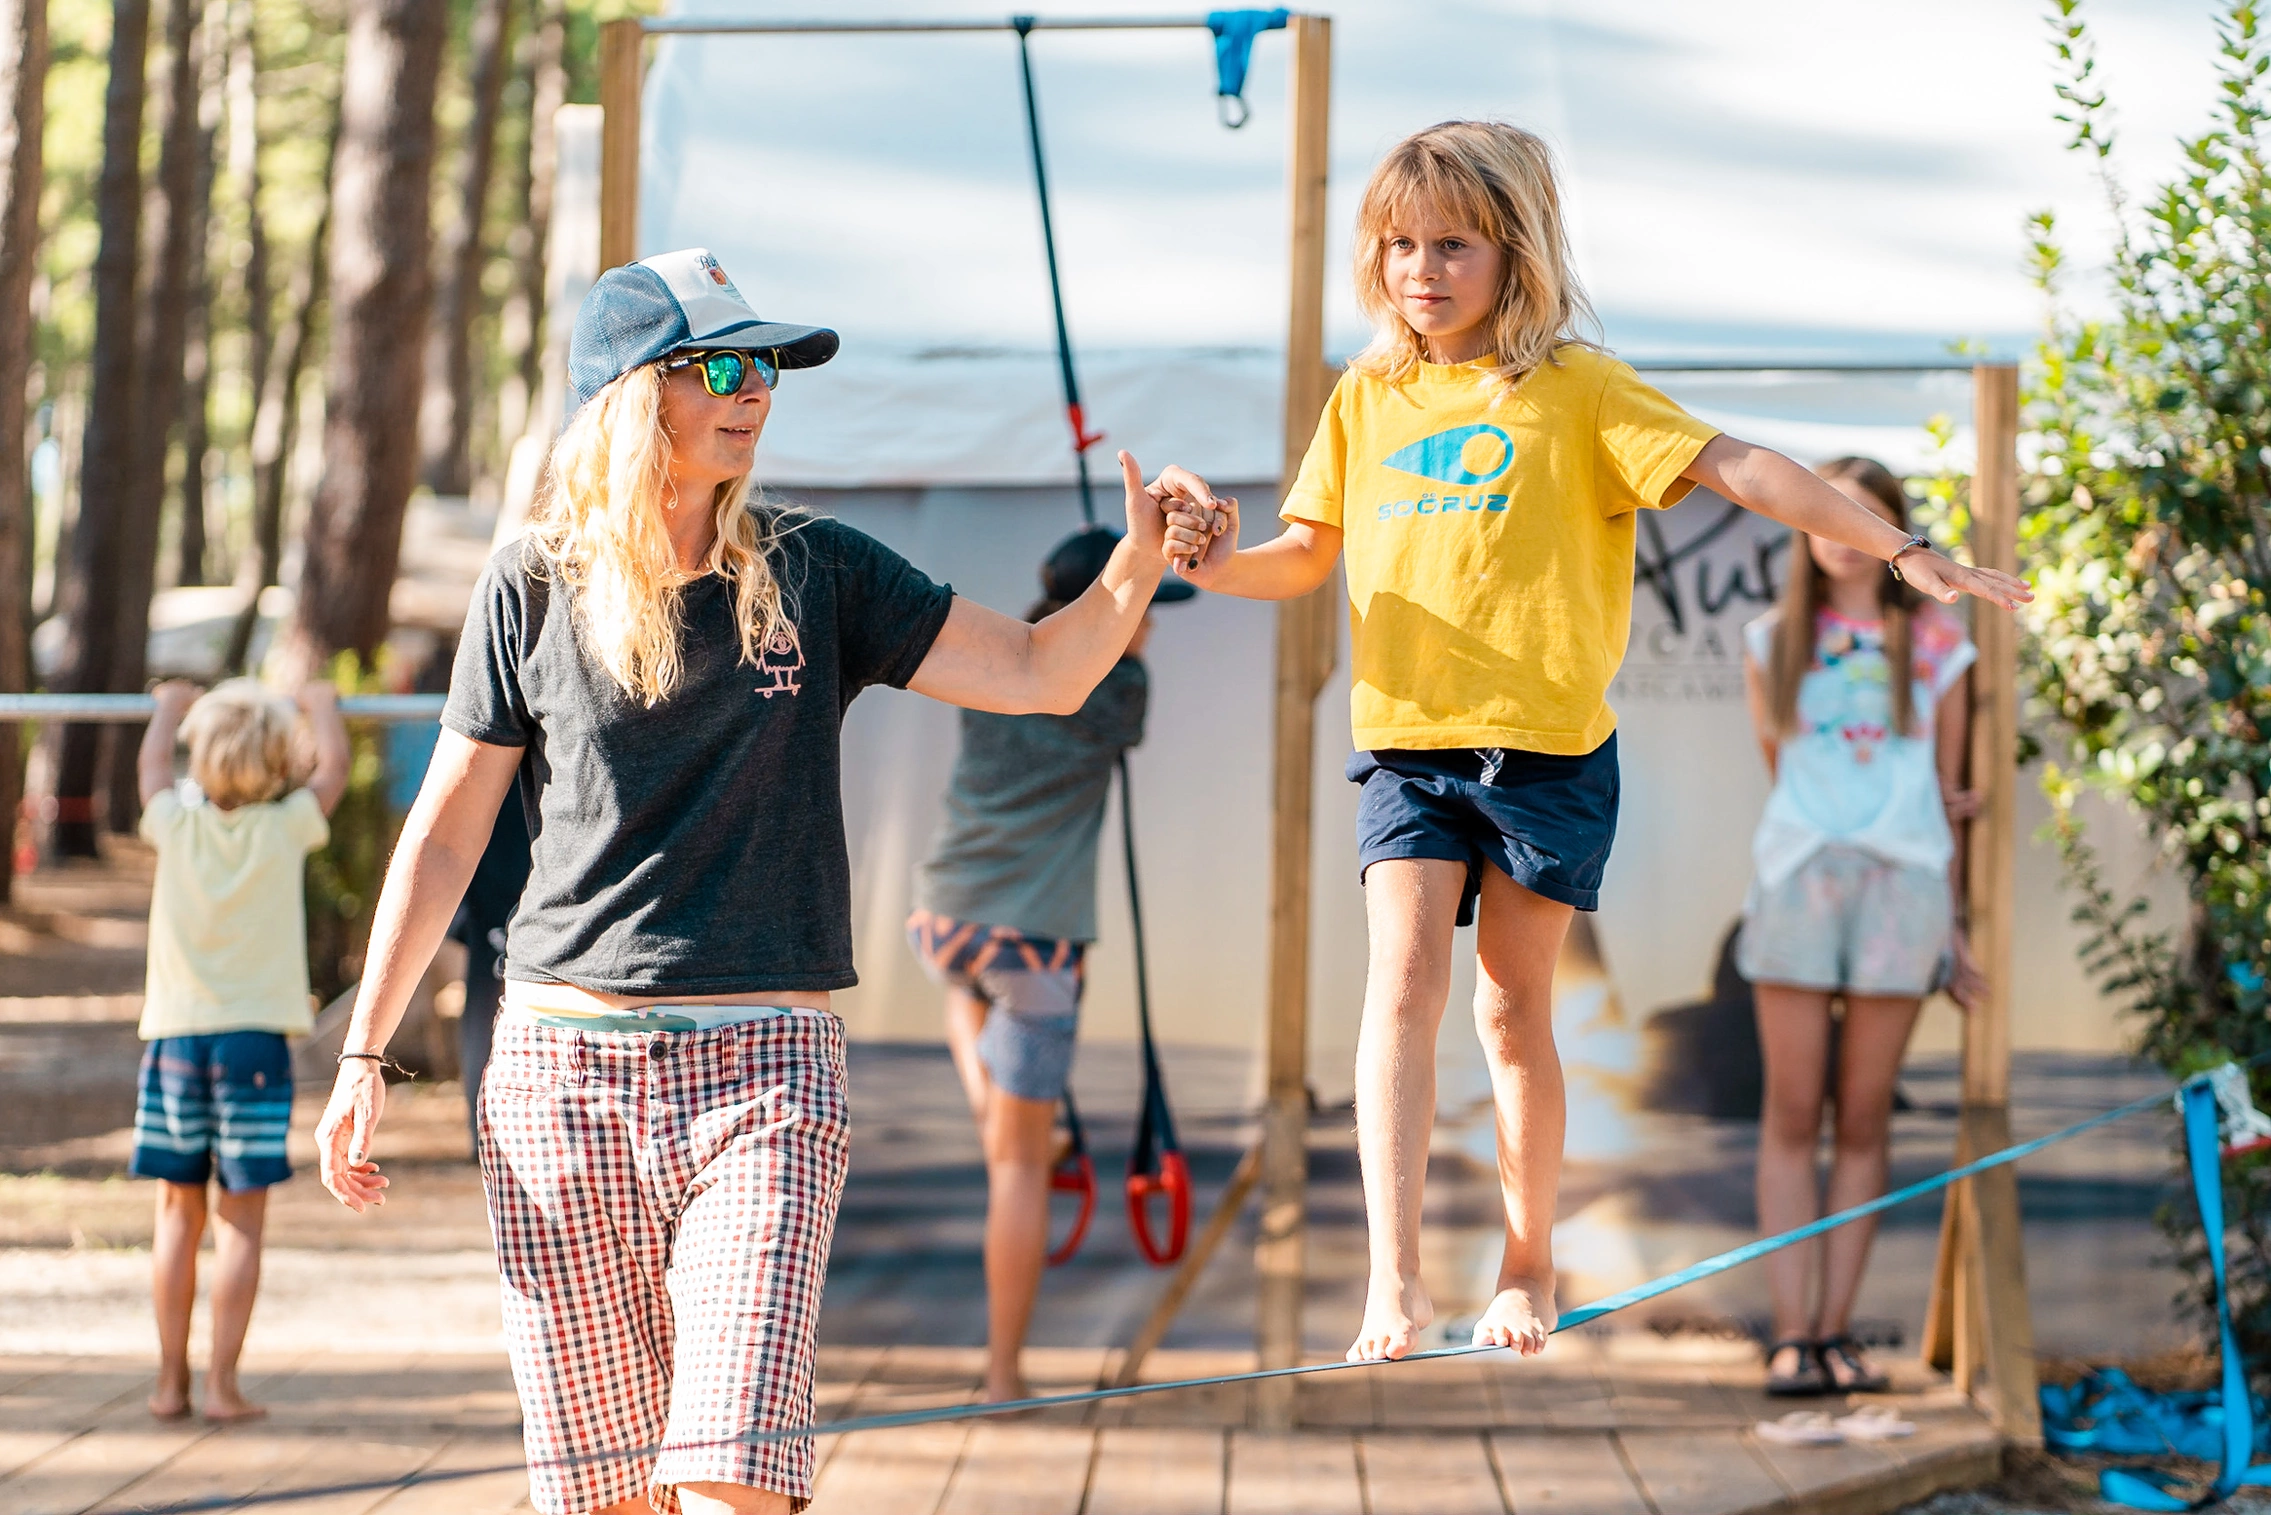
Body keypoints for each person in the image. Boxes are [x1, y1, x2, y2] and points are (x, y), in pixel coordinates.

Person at [310, 248, 1194, 1515]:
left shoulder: (821, 568)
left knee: (734, 1481)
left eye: (768, 365)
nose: (757, 389)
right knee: (608, 1501)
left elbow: (1046, 673)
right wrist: (365, 1054)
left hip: (765, 1074)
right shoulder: (529, 585)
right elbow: (447, 836)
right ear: (633, 391)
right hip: (561, 1084)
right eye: (724, 364)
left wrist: (1138, 563)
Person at [1152, 120, 2031, 1365]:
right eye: (1399, 245)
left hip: (1552, 759)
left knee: (1514, 1015)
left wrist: (1901, 549)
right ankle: (1392, 1282)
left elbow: (1748, 469)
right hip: (1410, 749)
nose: (1422, 269)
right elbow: (1299, 560)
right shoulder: (1369, 396)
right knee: (1401, 984)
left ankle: (1526, 1264)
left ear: (1516, 250)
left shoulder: (1582, 389)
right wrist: (1206, 559)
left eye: (1453, 243)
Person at [905, 524, 1192, 1404]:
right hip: (1035, 945)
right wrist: (1114, 638)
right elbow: (1105, 691)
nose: (1145, 627)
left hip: (943, 916)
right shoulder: (1122, 685)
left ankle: (998, 1107)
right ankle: (1001, 1375)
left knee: (963, 990)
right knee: (1018, 1170)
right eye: (1139, 604)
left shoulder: (992, 656)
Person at [1739, 457, 1983, 1396]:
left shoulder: (1936, 638)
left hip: (1904, 886)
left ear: (1896, 537)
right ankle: (1790, 1334)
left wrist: (1953, 929)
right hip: (1800, 879)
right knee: (1792, 1115)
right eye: (1827, 515)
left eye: (1865, 518)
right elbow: (1781, 774)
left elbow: (1946, 790)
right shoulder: (1769, 641)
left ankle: (1837, 1330)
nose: (1841, 534)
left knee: (1865, 1115)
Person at [130, 677, 350, 1422]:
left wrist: (166, 711)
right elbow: (334, 776)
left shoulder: (174, 823)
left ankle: (169, 1383)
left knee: (174, 1213)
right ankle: (222, 1384)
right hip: (253, 1041)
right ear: (273, 761)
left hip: (175, 1040)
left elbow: (152, 771)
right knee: (241, 1220)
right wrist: (321, 709)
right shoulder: (286, 824)